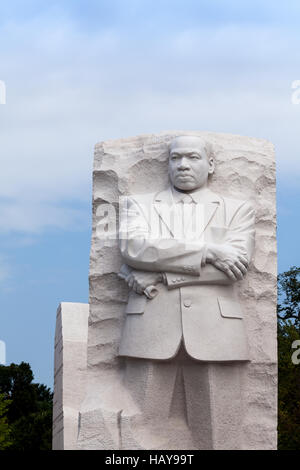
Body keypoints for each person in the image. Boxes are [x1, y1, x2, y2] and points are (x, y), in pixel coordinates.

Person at [118, 135, 255, 449]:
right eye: (174, 158)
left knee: (221, 434)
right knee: (136, 432)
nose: (182, 165)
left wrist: (163, 273)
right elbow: (134, 248)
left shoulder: (237, 210)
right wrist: (208, 251)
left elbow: (232, 270)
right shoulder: (137, 205)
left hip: (217, 331)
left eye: (192, 157)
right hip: (149, 328)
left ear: (211, 164)